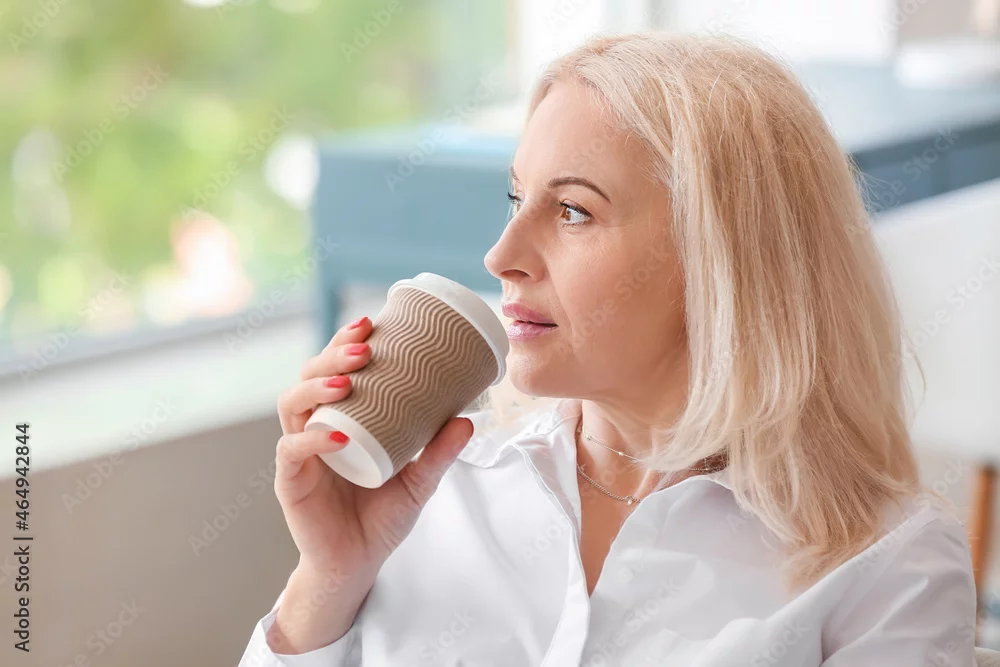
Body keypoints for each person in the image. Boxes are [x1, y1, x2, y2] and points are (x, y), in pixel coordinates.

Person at [238, 31, 977, 666]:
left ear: (722, 261)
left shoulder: (889, 564)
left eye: (572, 210)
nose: (501, 256)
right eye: (516, 198)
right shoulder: (430, 493)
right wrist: (328, 581)